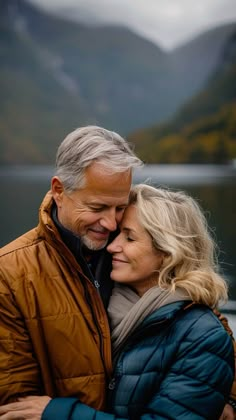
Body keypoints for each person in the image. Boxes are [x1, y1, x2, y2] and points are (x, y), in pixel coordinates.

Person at [0, 184, 234, 419]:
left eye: (129, 238)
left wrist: (56, 413)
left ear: (167, 252)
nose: (112, 246)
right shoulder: (102, 297)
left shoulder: (201, 333)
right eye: (117, 234)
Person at [0, 125, 142, 406]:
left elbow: (202, 314)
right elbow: (17, 403)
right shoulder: (9, 274)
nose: (111, 224)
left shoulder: (143, 247)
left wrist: (229, 395)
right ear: (59, 191)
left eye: (119, 207)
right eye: (97, 208)